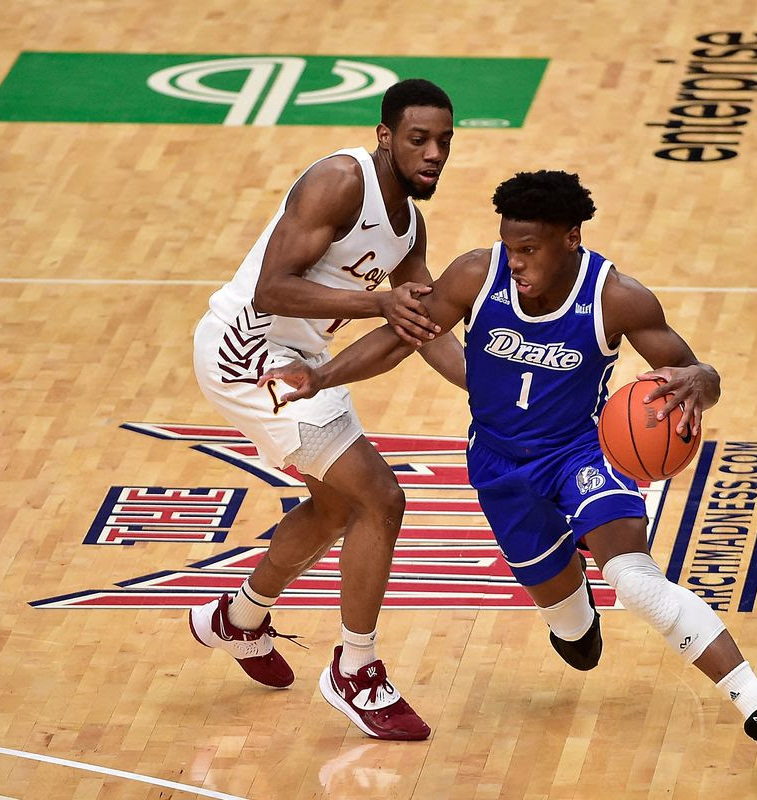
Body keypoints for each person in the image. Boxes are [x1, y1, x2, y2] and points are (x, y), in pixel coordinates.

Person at [264, 170, 757, 783]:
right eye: (510, 246)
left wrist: (703, 379)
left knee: (635, 582)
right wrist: (322, 377)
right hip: (500, 468)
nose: (516, 261)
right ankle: (574, 594)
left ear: (570, 238)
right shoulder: (476, 275)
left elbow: (696, 378)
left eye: (529, 249)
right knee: (578, 643)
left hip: (582, 455)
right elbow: (403, 338)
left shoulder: (616, 297)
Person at [189, 78, 465, 742]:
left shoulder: (410, 228)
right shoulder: (340, 180)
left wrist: (487, 389)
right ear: (385, 137)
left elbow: (424, 322)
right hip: (247, 352)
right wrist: (376, 303)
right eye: (419, 139)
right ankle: (355, 669)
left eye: (444, 141)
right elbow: (271, 288)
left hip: (302, 360)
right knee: (382, 498)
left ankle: (239, 619)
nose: (433, 154)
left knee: (339, 508)